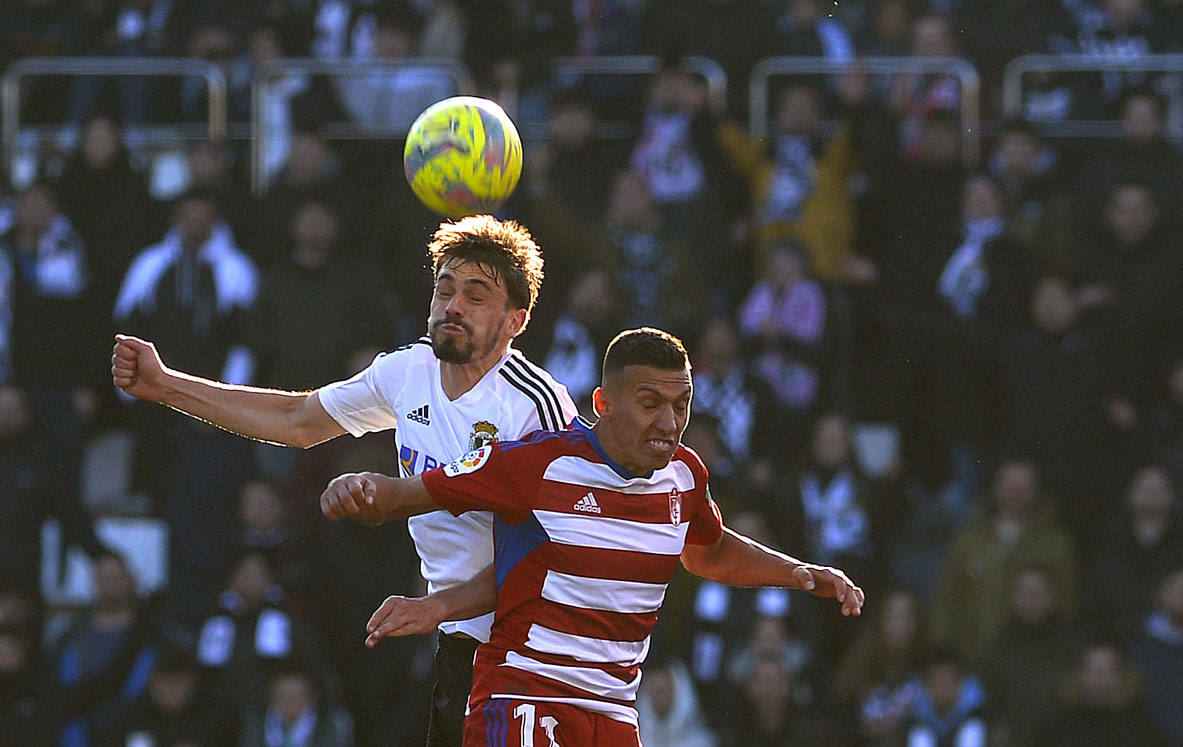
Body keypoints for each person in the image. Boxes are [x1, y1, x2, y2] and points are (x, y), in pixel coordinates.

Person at [112, 214, 577, 747]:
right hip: (458, 640)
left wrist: (435, 605)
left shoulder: (534, 404)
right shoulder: (408, 372)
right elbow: (297, 420)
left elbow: (552, 552)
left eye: (476, 296)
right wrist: (167, 385)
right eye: (444, 289)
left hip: (536, 648)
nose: (452, 305)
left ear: (516, 320)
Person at [322, 327, 864, 745]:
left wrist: (798, 573)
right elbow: (412, 493)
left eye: (681, 405)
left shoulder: (685, 475)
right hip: (526, 697)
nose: (670, 423)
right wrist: (359, 488)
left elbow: (710, 551)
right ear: (603, 403)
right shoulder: (539, 463)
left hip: (613, 712)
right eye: (650, 404)